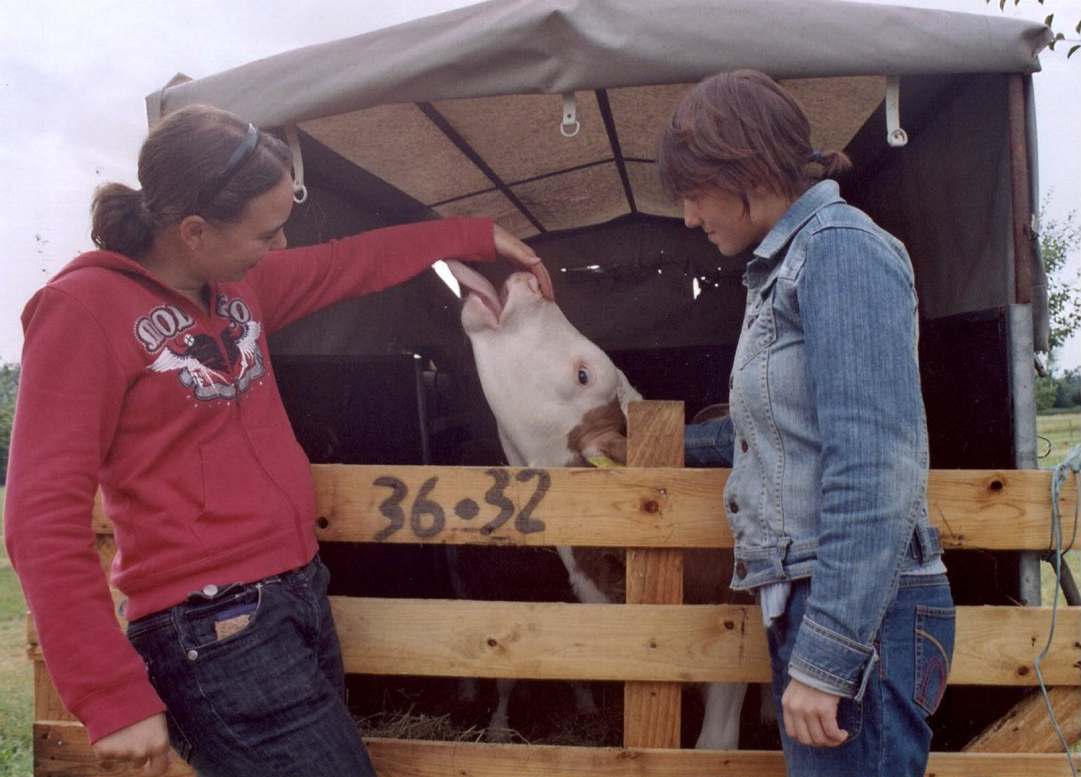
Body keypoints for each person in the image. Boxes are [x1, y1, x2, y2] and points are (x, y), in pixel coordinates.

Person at [3, 104, 552, 777]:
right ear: (195, 231)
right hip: (211, 625)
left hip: (296, 592)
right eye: (267, 231)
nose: (283, 244)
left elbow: (352, 261)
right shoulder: (81, 311)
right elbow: (40, 516)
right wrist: (109, 693)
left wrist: (472, 235)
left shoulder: (238, 287)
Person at [661, 71, 955, 776]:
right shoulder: (789, 263)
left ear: (744, 170)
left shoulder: (839, 251)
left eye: (693, 192)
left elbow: (874, 467)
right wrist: (653, 444)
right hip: (831, 602)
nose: (689, 217)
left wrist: (828, 658)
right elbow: (778, 433)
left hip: (860, 614)